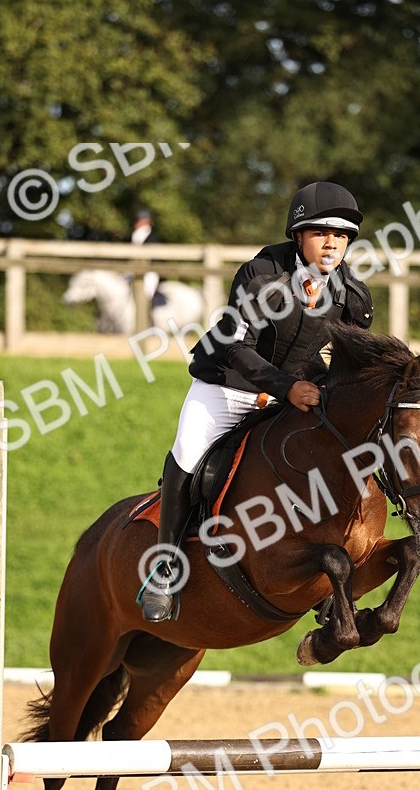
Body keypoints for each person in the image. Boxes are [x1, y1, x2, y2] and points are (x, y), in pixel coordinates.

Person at [139, 180, 374, 622]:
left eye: (341, 236)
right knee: (188, 453)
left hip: (291, 395)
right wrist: (288, 388)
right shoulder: (261, 275)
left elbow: (350, 366)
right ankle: (165, 566)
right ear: (298, 236)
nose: (332, 244)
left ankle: (330, 568)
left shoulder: (352, 295)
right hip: (226, 384)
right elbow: (236, 348)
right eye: (321, 233)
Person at [130, 206, 165, 309]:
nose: (137, 223)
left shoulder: (153, 238)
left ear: (146, 221)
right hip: (133, 269)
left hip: (150, 272)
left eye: (139, 220)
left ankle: (147, 313)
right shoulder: (134, 235)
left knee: (146, 293)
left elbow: (156, 259)